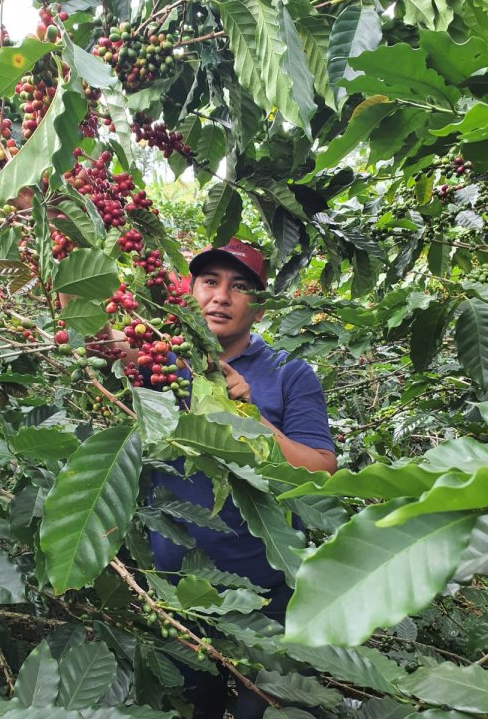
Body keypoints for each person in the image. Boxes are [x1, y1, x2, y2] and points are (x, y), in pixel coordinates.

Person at [147, 238, 337, 719]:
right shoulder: (161, 360)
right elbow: (91, 337)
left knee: (268, 709)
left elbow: (321, 471)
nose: (221, 297)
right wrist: (60, 220)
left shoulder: (289, 373)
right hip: (179, 591)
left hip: (268, 594)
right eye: (210, 282)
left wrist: (249, 416)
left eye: (239, 287)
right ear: (189, 292)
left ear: (260, 306)